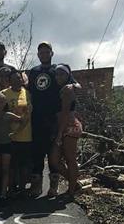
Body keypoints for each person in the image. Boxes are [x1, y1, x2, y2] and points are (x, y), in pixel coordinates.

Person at [28, 41, 80, 197]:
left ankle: (54, 186)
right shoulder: (34, 71)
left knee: (53, 155)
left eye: (46, 51)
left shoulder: (58, 70)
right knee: (37, 152)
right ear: (38, 55)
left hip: (54, 118)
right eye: (41, 52)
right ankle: (36, 186)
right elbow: (29, 90)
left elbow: (76, 83)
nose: (44, 54)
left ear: (51, 53)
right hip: (36, 117)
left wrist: (73, 86)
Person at [48, 64, 83, 198]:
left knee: (70, 159)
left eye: (62, 74)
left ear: (68, 75)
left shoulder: (67, 90)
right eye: (56, 74)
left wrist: (59, 135)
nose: (59, 77)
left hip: (68, 126)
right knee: (54, 160)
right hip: (60, 125)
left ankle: (72, 190)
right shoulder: (58, 88)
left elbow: (64, 113)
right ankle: (75, 184)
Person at [0, 92, 26, 201]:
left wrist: (15, 132)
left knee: (5, 170)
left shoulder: (8, 115)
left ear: (4, 103)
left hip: (6, 145)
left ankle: (3, 194)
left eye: (1, 102)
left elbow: (22, 120)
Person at [1, 69, 33, 196]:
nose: (17, 80)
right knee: (11, 166)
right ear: (9, 81)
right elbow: (1, 114)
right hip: (10, 136)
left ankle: (22, 189)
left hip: (26, 135)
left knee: (24, 165)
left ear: (22, 79)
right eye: (13, 78)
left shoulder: (27, 93)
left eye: (19, 78)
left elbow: (29, 113)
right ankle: (12, 189)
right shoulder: (4, 94)